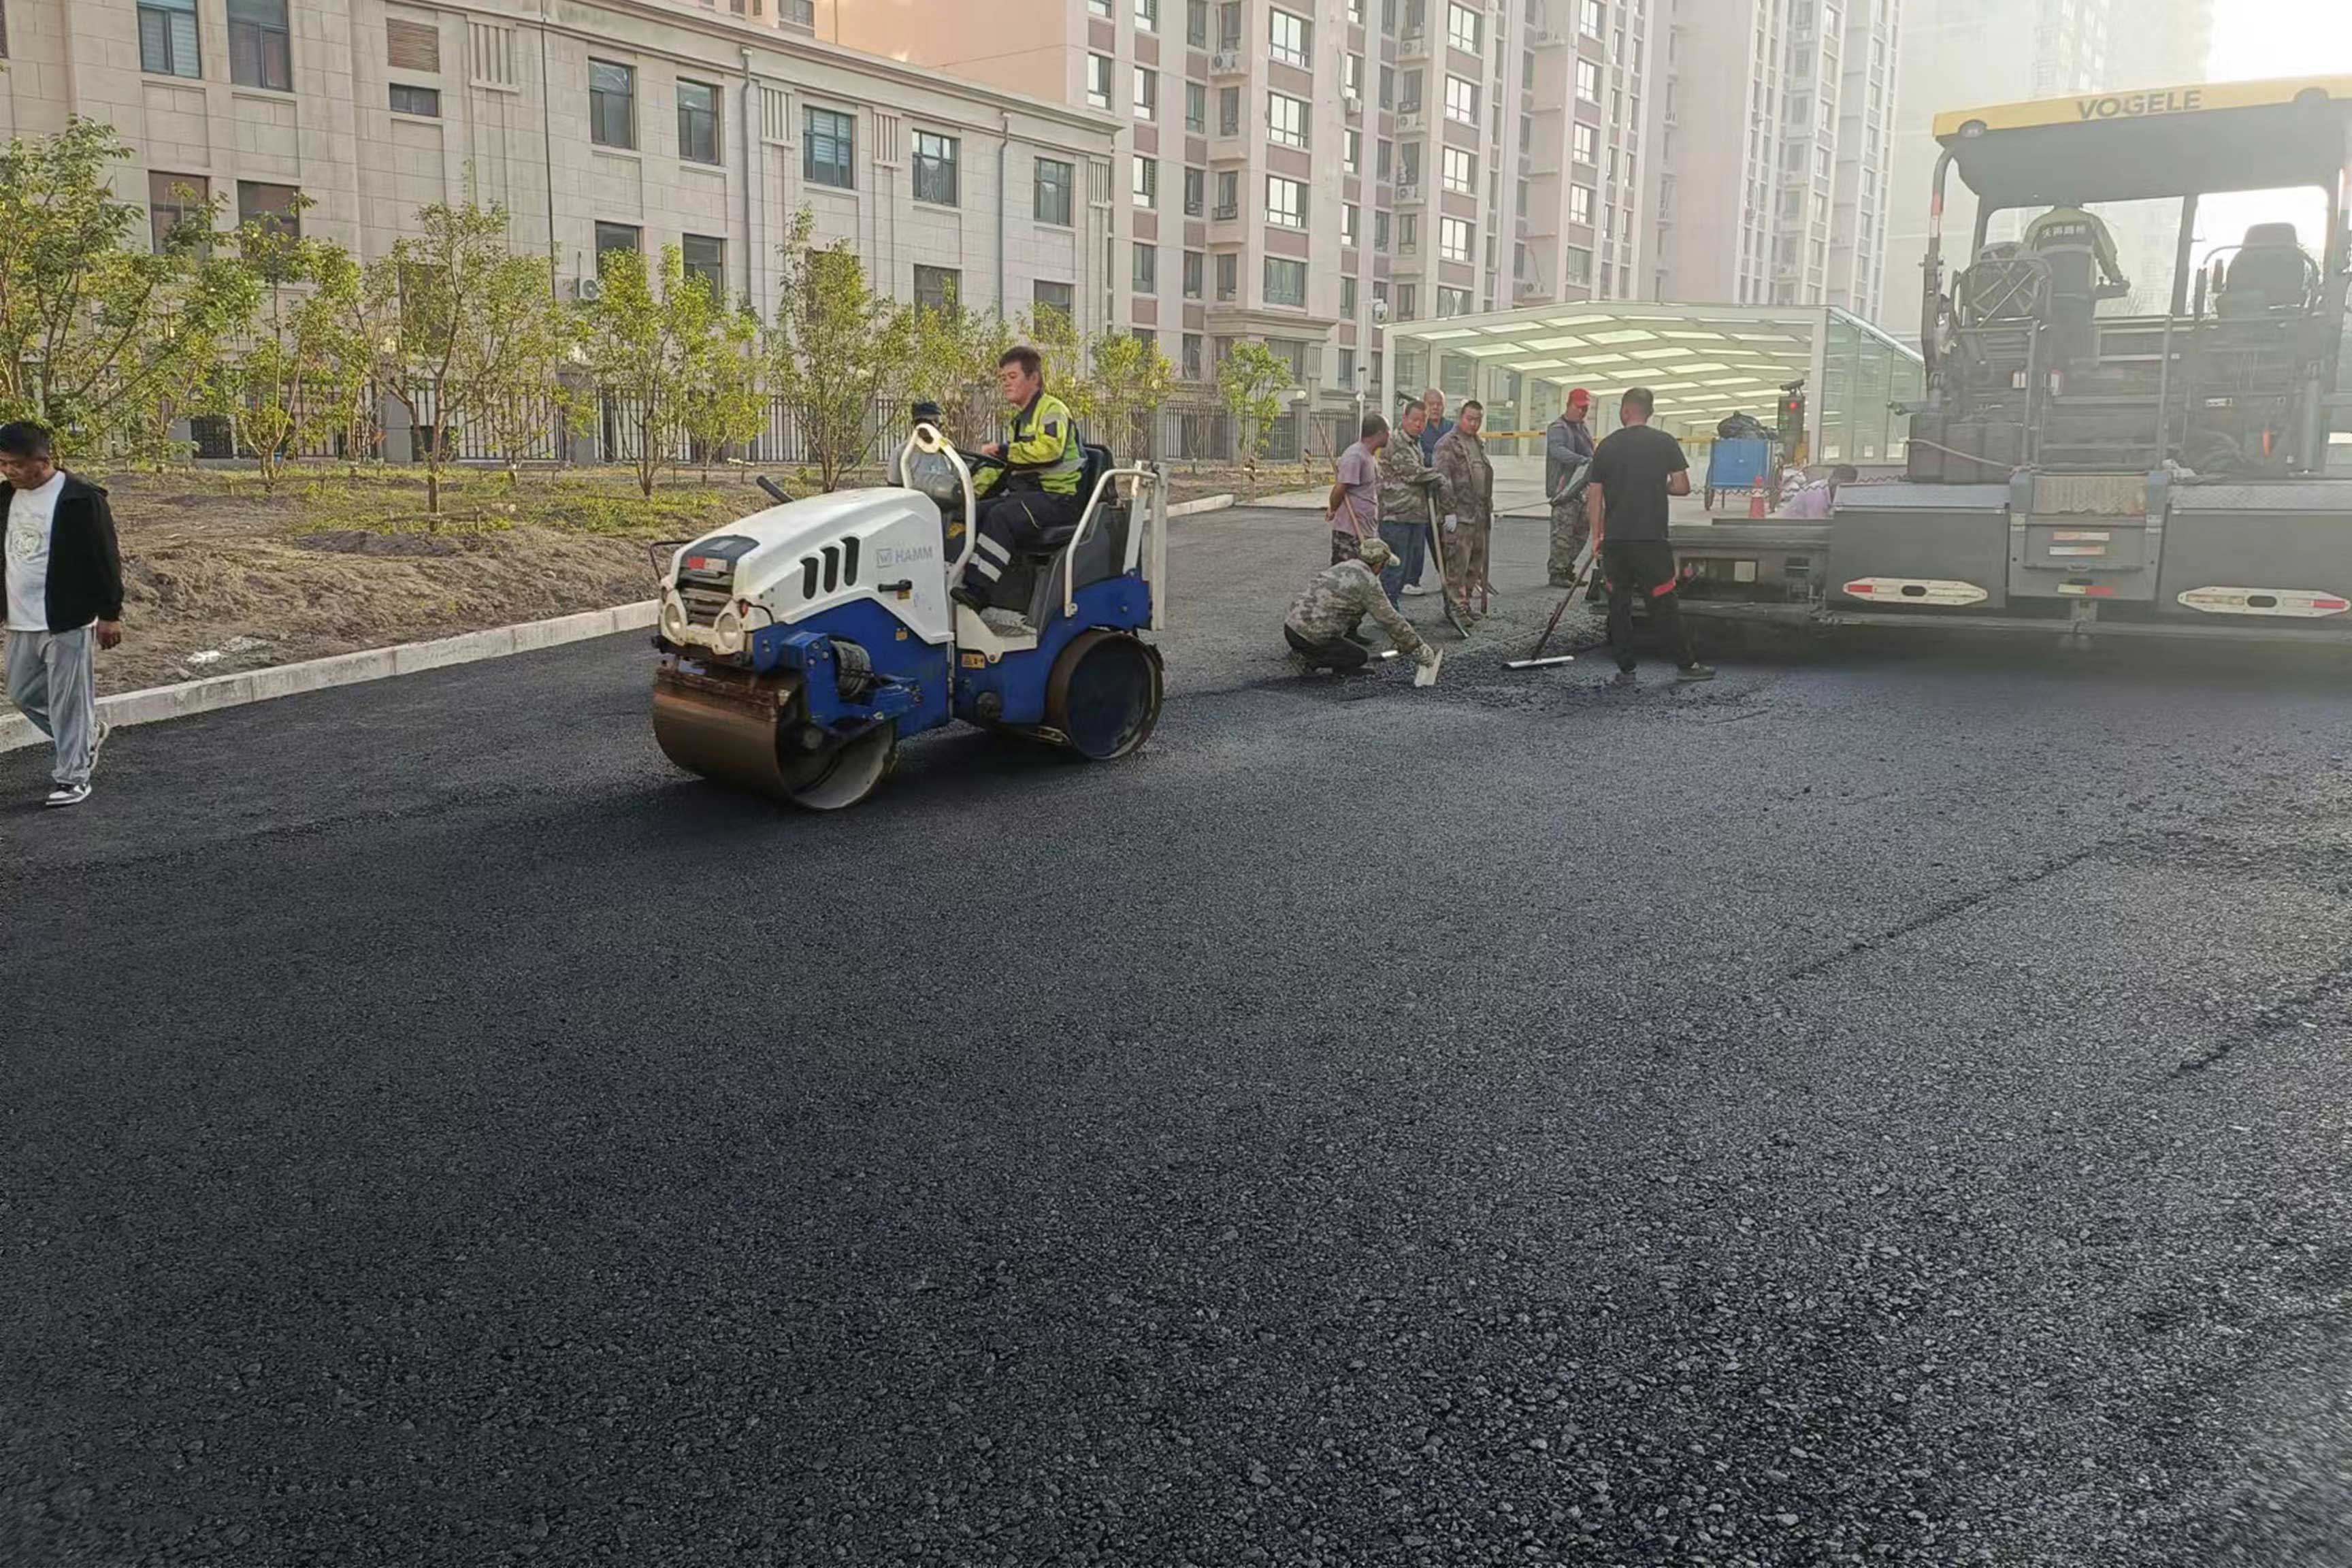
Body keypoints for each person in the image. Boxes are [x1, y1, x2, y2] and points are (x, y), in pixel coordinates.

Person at [2, 421, 121, 807]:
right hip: (20, 619)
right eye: (3, 464)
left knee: (69, 704)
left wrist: (110, 613)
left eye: (17, 464)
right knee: (21, 693)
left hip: (67, 618)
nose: (9, 471)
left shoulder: (81, 498)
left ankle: (73, 778)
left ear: (43, 460)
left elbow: (105, 557)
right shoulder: (4, 498)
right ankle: (86, 736)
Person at [1586, 387, 1713, 684]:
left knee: (1619, 604)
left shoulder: (1607, 446)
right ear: (1650, 413)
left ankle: (1626, 670)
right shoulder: (1665, 442)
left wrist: (1597, 535)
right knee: (1663, 602)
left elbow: (1595, 494)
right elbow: (1682, 486)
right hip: (1651, 538)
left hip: (1616, 539)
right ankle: (1686, 665)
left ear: (1625, 411)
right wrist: (1657, 486)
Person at [951, 346, 1084, 617]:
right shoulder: (1019, 421)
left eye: (1012, 377)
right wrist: (967, 491)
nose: (1006, 383)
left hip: (1058, 499)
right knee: (968, 514)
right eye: (1003, 378)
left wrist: (1004, 450)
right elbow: (1008, 468)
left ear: (1033, 378)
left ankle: (977, 593)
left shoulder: (1052, 409)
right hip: (1029, 497)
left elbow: (1049, 450)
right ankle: (950, 579)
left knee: (1002, 516)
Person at [1283, 536, 1440, 679]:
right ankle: (1309, 660)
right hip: (1311, 636)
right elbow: (1390, 619)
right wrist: (1417, 645)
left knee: (1350, 614)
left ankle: (1310, 651)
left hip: (1292, 627)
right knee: (1359, 656)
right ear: (1379, 564)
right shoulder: (1368, 583)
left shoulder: (1346, 565)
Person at [2023, 200, 2127, 367]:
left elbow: (2024, 263)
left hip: (2047, 300)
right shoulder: (2091, 222)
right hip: (2080, 298)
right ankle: (2075, 373)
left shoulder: (2038, 225)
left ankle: (2050, 372)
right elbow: (2108, 256)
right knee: (2079, 346)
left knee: (2047, 344)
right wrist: (2117, 278)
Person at [1375, 402, 1448, 606]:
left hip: (1414, 515)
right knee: (1394, 568)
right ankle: (1388, 613)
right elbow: (1413, 473)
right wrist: (1441, 477)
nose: (1419, 424)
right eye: (1414, 420)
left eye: (1423, 421)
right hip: (1396, 515)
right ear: (1404, 418)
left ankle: (1394, 612)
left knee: (1406, 568)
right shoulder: (1397, 442)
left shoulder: (1414, 442)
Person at [1431, 399, 1494, 618]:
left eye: (1478, 420)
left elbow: (1484, 478)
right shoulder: (1447, 444)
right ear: (1460, 418)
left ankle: (1465, 604)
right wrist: (1448, 511)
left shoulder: (1477, 443)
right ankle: (1456, 608)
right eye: (1470, 419)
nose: (1474, 424)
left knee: (1474, 564)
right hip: (1459, 516)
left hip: (1478, 515)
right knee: (1457, 565)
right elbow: (1442, 479)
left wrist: (1489, 509)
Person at [1545, 389, 1597, 587]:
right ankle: (1557, 572)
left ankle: (1567, 568)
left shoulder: (1583, 429)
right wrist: (1584, 461)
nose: (1582, 412)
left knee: (1581, 532)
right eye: (1579, 407)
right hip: (1564, 492)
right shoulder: (1558, 428)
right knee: (1563, 534)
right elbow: (1557, 451)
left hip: (1581, 490)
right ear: (1569, 405)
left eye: (1585, 408)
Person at [1326, 413, 1388, 565]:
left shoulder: (1369, 456)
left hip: (1366, 530)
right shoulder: (1355, 456)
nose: (1390, 436)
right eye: (1388, 432)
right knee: (1347, 574)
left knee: (1363, 574)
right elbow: (1340, 488)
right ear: (1379, 434)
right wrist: (1333, 508)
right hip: (1350, 533)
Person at [1779, 464, 1859, 519]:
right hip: (1789, 527)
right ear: (1832, 479)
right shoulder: (1815, 492)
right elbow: (1817, 522)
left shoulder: (1837, 492)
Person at [1417, 387, 1454, 462]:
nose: (1435, 407)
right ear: (1424, 405)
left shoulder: (1452, 428)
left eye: (1439, 404)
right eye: (1431, 404)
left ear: (1444, 406)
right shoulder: (1418, 428)